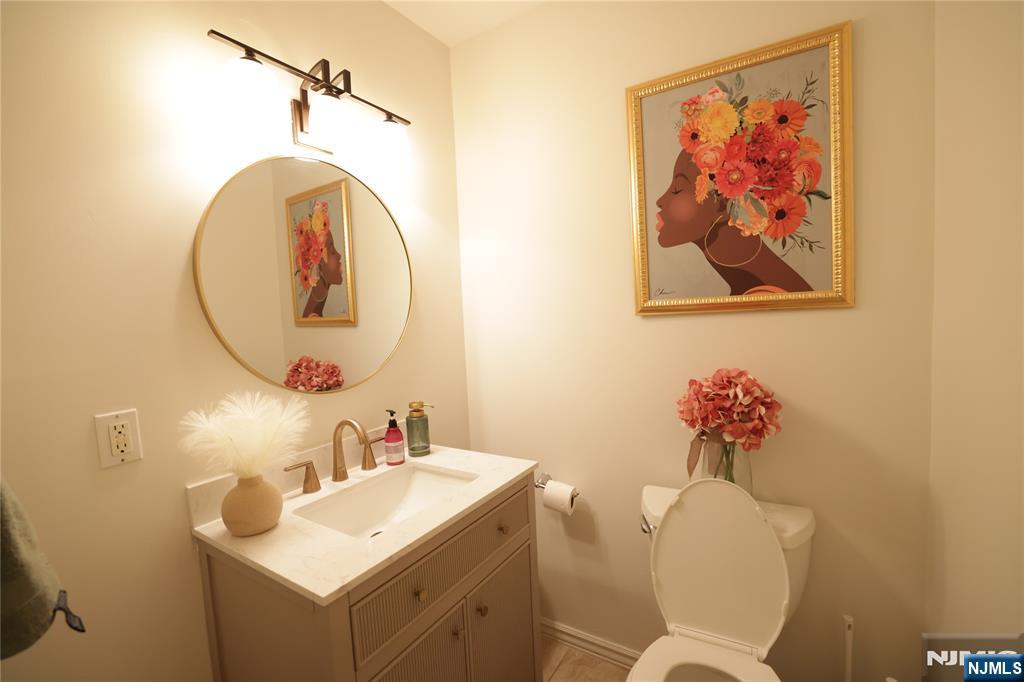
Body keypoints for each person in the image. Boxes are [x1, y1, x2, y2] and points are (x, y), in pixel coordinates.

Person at [655, 84, 828, 295]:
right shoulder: (751, 284)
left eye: (677, 189)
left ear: (722, 204)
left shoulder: (764, 293)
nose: (660, 200)